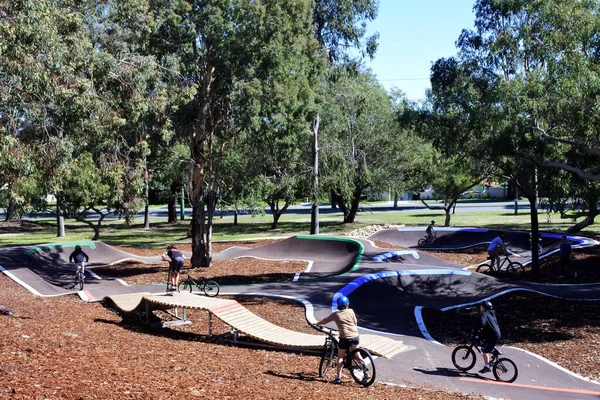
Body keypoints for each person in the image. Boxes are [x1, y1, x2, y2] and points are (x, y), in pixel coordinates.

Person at [316, 296, 362, 384]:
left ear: (338, 306)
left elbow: (325, 320)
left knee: (340, 357)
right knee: (357, 353)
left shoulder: (336, 314)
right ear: (347, 304)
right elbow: (355, 322)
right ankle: (364, 370)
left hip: (344, 337)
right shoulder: (351, 311)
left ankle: (338, 378)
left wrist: (317, 324)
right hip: (355, 335)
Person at [476, 300, 501, 374]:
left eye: (481, 307)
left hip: (492, 335)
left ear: (484, 308)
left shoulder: (484, 314)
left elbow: (482, 323)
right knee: (485, 346)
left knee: (484, 351)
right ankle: (494, 352)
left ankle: (487, 367)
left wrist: (478, 329)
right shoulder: (492, 314)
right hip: (495, 334)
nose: (480, 308)